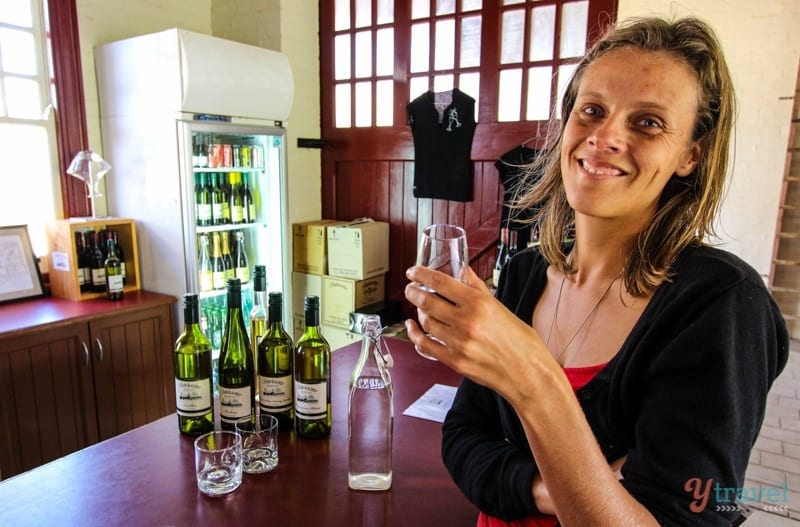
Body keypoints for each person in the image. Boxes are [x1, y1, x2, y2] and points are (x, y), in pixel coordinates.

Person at [404, 16, 789, 527]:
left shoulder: (722, 303)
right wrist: (561, 490)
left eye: (648, 122)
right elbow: (464, 439)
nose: (604, 136)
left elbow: (681, 513)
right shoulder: (524, 273)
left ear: (690, 155)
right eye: (591, 110)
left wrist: (533, 381)